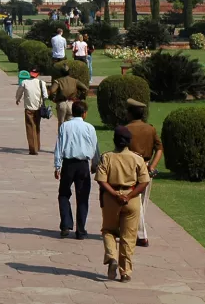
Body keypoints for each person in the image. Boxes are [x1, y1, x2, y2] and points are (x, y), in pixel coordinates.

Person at [95, 126, 151, 282]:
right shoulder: (137, 158)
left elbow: (101, 180)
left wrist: (115, 195)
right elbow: (144, 181)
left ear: (114, 140)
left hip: (111, 198)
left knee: (108, 230)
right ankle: (125, 272)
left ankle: (112, 257)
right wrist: (128, 196)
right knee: (128, 237)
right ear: (129, 142)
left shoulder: (107, 157)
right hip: (131, 198)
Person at [53, 101, 100, 239]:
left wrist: (57, 166)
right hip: (83, 165)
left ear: (72, 112)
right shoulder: (89, 128)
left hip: (68, 164)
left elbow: (59, 146)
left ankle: (66, 224)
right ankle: (80, 230)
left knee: (63, 194)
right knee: (83, 196)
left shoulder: (65, 126)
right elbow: (94, 147)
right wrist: (95, 164)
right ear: (84, 113)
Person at [124, 99, 163, 247]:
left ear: (130, 113)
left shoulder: (126, 129)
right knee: (142, 203)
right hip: (146, 167)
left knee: (134, 201)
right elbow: (159, 149)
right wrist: (152, 165)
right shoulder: (150, 129)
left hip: (131, 168)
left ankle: (141, 235)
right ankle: (135, 231)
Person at [15, 68, 48, 155]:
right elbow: (45, 96)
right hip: (38, 108)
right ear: (38, 74)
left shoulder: (24, 82)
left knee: (30, 127)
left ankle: (33, 149)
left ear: (30, 74)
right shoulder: (41, 83)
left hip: (29, 108)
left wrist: (18, 99)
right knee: (37, 126)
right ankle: (37, 146)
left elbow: (19, 92)